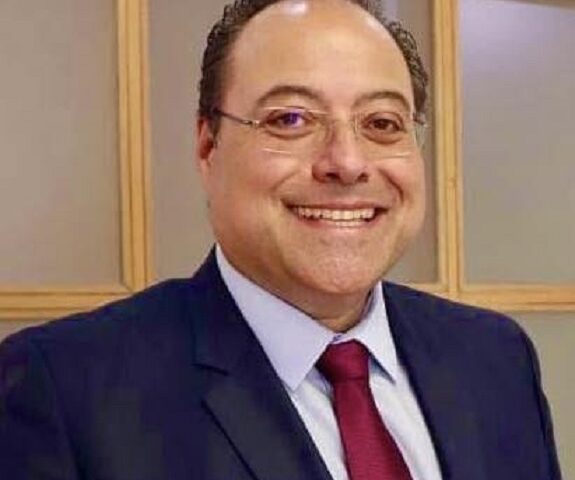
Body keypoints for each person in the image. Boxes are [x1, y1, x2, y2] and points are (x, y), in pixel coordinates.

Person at [0, 0, 562, 478]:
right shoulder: (64, 392)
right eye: (291, 119)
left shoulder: (495, 358)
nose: (347, 162)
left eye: (382, 123)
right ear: (208, 147)